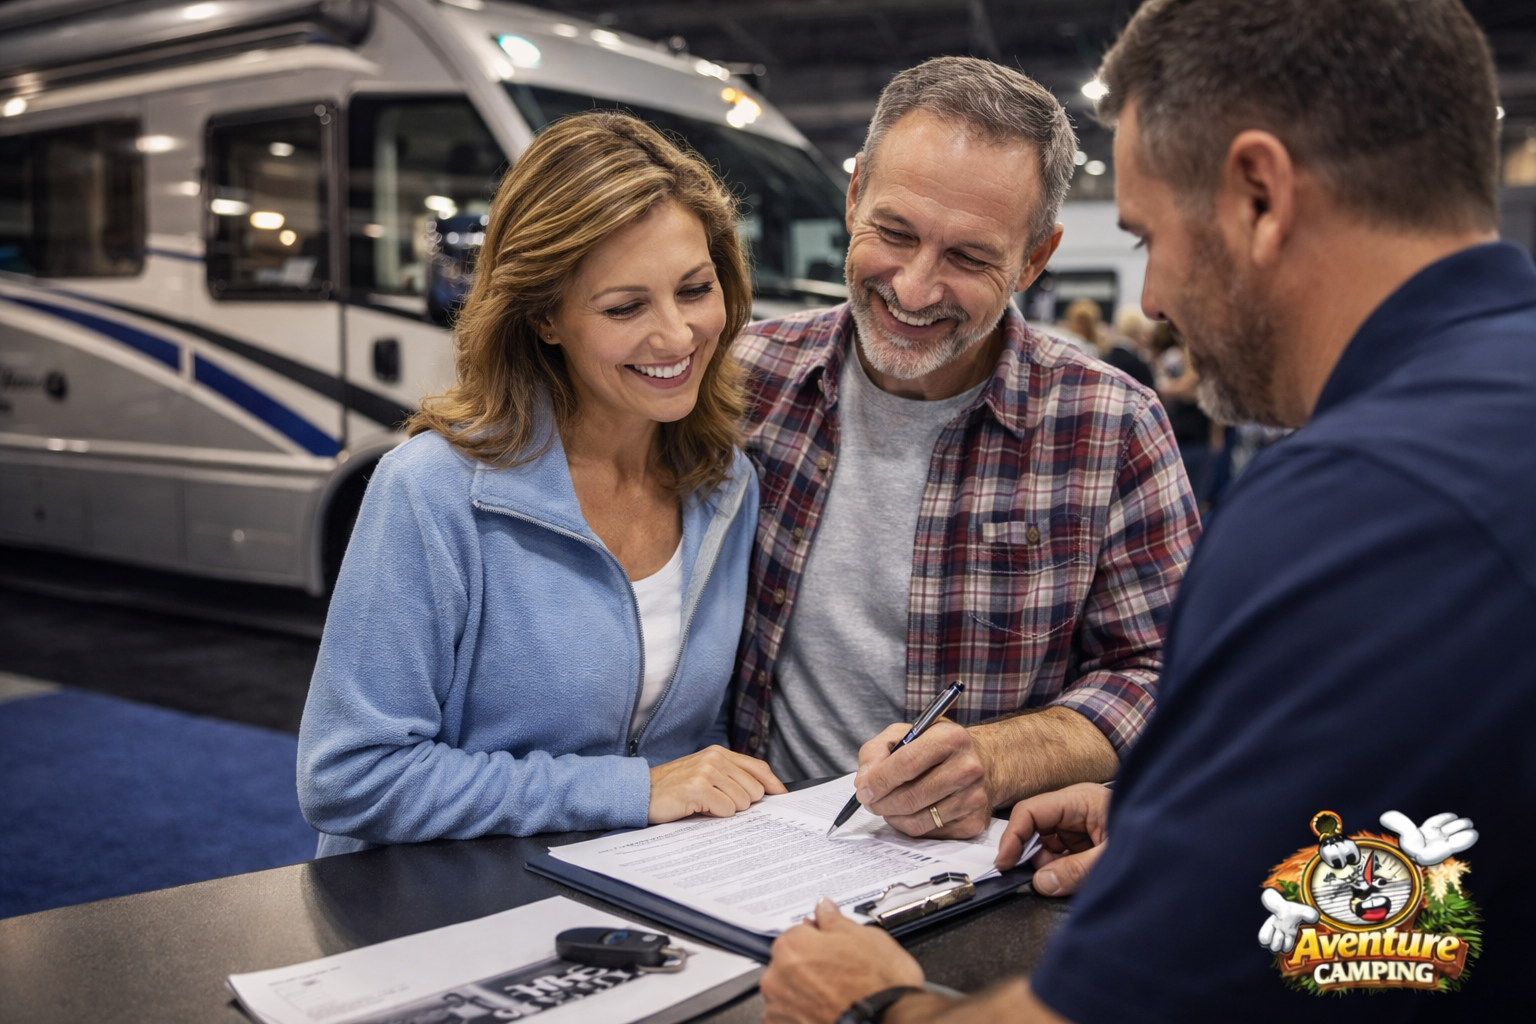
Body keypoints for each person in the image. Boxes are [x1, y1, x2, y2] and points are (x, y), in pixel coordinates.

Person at [759, 0, 1534, 1019]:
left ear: (1259, 194)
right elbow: (1412, 911)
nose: (1155, 298)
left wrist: (871, 1006)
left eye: (1148, 236)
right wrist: (1202, 839)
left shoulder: (1359, 515)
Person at [731, 56, 1201, 841]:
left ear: (1034, 260)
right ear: (853, 202)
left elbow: (1168, 674)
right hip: (743, 848)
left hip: (972, 873)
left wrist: (998, 756)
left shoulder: (1110, 425)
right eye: (895, 232)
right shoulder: (748, 380)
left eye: (969, 258)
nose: (914, 290)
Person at [297, 113, 784, 857]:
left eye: (694, 289)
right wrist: (626, 791)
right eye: (625, 307)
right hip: (437, 915)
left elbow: (689, 745)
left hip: (627, 903)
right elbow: (349, 775)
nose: (678, 336)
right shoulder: (431, 490)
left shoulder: (724, 485)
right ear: (545, 319)